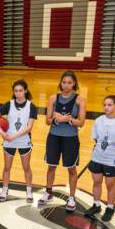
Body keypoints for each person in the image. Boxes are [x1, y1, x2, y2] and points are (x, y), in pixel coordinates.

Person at [39, 71, 87, 212]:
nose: (66, 85)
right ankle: (48, 192)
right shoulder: (53, 98)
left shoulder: (79, 100)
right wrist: (55, 119)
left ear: (74, 84)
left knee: (71, 168)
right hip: (54, 136)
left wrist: (68, 119)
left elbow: (82, 122)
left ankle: (71, 197)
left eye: (69, 83)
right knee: (51, 165)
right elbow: (47, 121)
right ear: (60, 83)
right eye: (64, 82)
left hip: (71, 139)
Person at [85, 95, 115, 222]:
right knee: (96, 182)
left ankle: (110, 208)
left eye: (109, 105)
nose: (106, 107)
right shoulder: (99, 120)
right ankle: (96, 205)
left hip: (112, 158)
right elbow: (95, 137)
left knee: (110, 185)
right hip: (97, 156)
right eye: (105, 104)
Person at [0, 79, 37, 202]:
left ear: (25, 91)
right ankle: (4, 189)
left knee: (26, 167)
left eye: (20, 91)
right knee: (7, 167)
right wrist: (2, 133)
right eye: (16, 91)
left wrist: (14, 136)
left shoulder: (31, 106)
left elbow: (29, 127)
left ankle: (29, 191)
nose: (18, 93)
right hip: (8, 140)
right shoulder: (9, 104)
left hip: (23, 140)